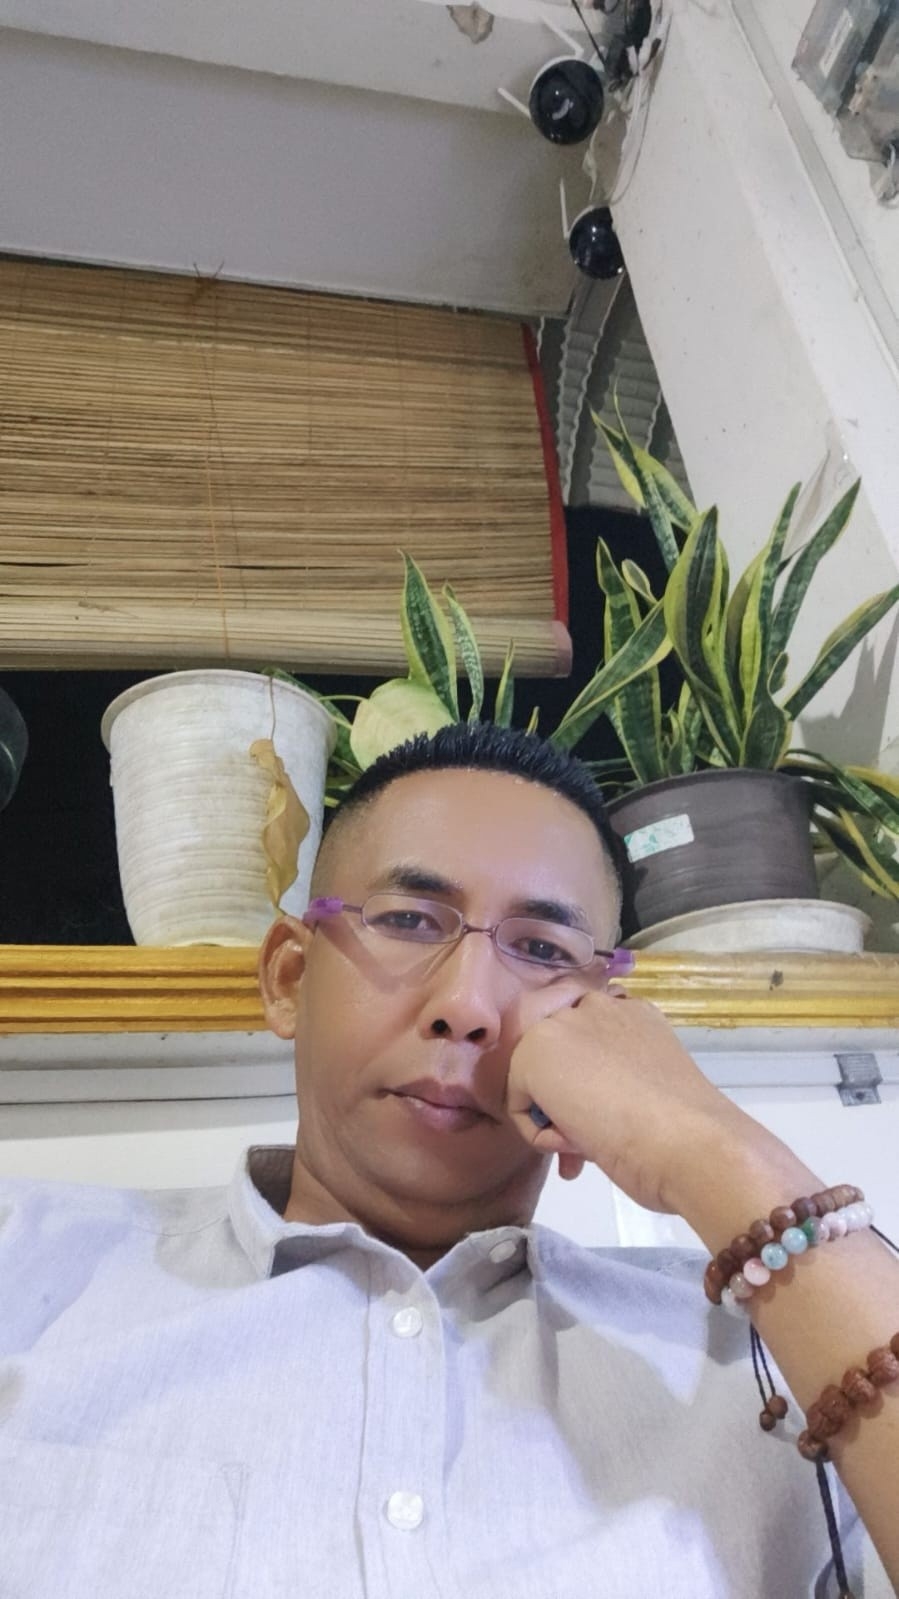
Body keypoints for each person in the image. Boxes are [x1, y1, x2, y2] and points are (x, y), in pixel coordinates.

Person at [0, 722, 896, 1599]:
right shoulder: (26, 1259)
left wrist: (707, 1146)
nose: (466, 1004)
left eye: (540, 949)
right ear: (289, 979)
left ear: (610, 1022)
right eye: (406, 919)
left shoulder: (771, 1352)